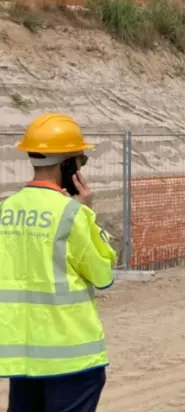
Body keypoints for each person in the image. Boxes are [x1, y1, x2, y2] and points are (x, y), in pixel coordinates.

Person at [2, 113, 116, 412]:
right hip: (71, 357)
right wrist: (89, 215)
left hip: (24, 357)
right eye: (82, 161)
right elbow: (103, 273)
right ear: (67, 164)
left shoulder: (6, 210)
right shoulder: (71, 214)